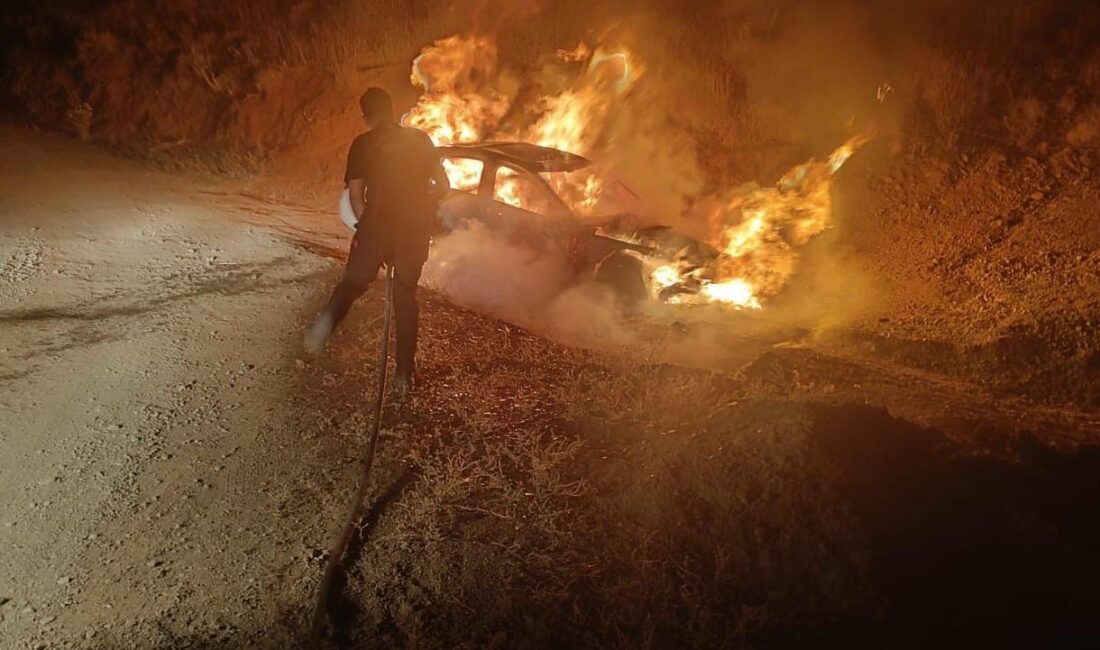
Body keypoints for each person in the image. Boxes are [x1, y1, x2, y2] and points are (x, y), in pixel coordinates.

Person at [305, 87, 448, 397]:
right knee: (405, 297)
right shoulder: (421, 139)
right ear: (393, 109)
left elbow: (356, 196)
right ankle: (403, 375)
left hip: (377, 225)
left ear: (366, 115)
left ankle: (325, 324)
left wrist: (366, 230)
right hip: (413, 229)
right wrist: (424, 206)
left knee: (353, 281)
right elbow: (444, 185)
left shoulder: (363, 144)